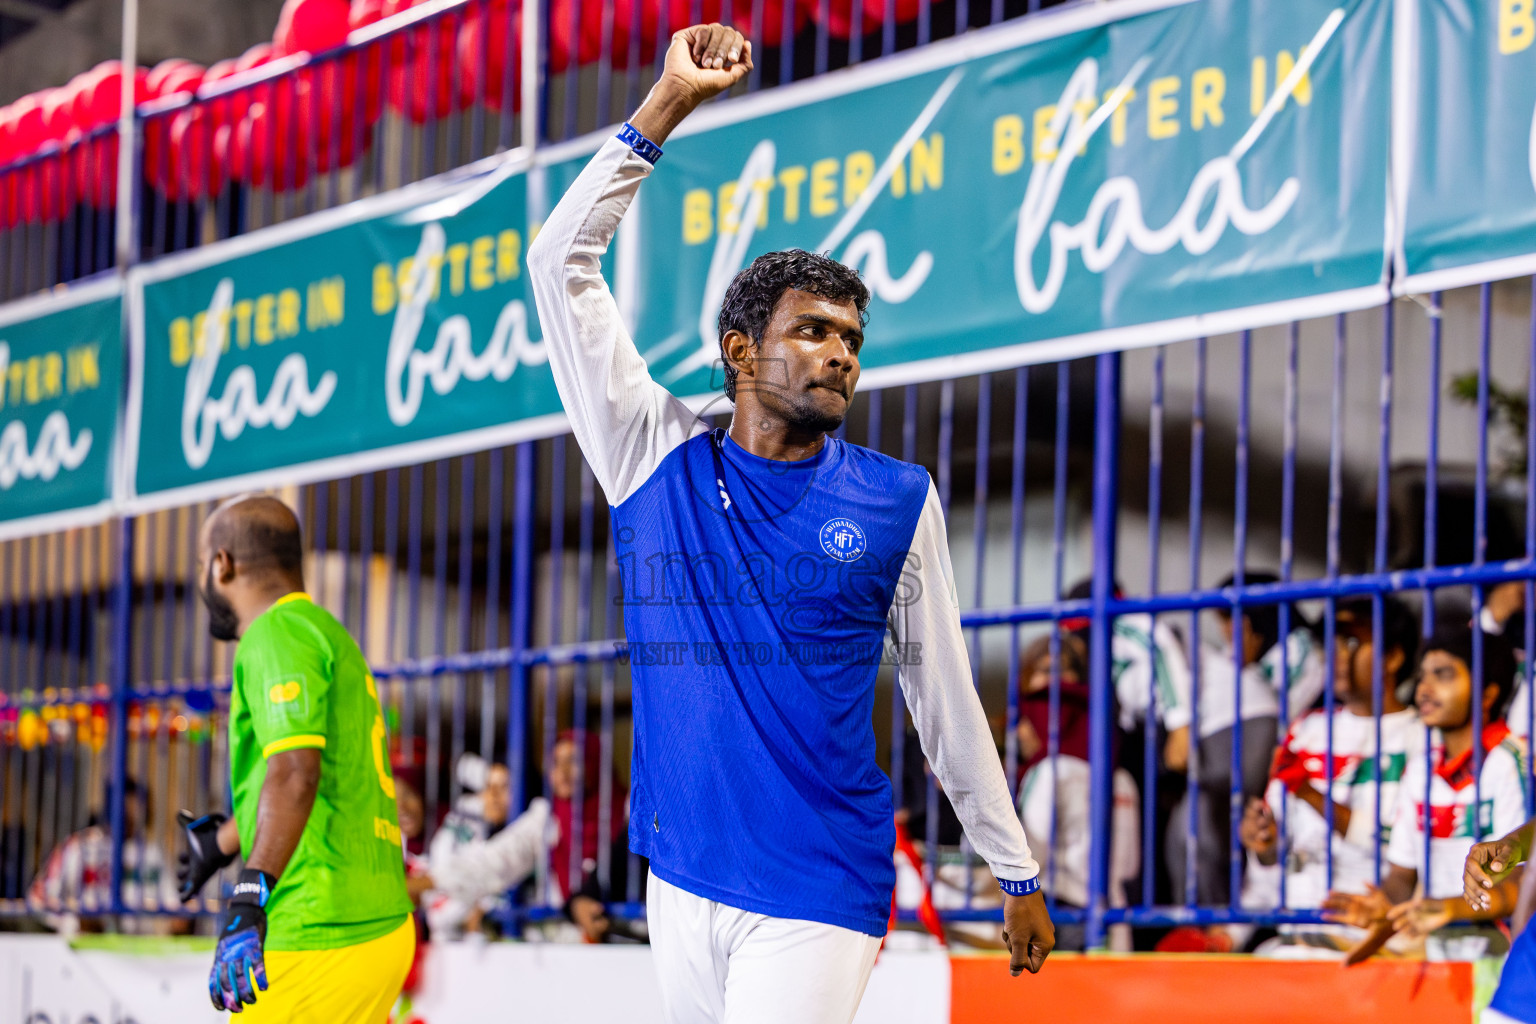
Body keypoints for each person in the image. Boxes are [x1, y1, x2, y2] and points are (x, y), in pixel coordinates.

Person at [526, 22, 1051, 1024]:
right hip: (678, 876)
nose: (839, 355)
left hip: (818, 887)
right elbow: (561, 263)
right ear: (739, 350)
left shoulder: (897, 499)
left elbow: (941, 689)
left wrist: (1012, 868)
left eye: (851, 338)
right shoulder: (650, 452)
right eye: (811, 331)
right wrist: (666, 103)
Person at [174, 494, 414, 1020]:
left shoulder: (274, 635)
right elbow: (307, 773)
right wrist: (221, 842)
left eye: (200, 565)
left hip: (317, 929)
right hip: (370, 922)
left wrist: (247, 895)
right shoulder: (326, 633)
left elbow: (295, 773)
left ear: (222, 563)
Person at [1321, 624, 1529, 960]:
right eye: (1422, 676)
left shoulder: (1511, 761)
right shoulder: (1421, 769)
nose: (1424, 689)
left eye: (1443, 675)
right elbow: (1402, 878)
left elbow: (1521, 884)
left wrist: (1449, 908)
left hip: (1506, 960)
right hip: (1440, 958)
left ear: (1488, 694)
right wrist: (1383, 907)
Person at [1237, 596, 1423, 955]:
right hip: (1295, 936)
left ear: (1393, 657)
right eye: (1332, 642)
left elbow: (1407, 848)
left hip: (1377, 945)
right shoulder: (1306, 729)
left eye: (1352, 642)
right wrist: (1263, 841)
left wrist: (1311, 796)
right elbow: (1273, 850)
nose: (1337, 654)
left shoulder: (1421, 737)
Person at [1169, 572, 1324, 908]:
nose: (1227, 634)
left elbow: (1276, 722)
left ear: (1257, 619)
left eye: (1231, 621)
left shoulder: (1300, 649)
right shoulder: (1259, 660)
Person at [1014, 633, 1140, 951]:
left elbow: (1026, 858)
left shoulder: (1048, 772)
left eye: (1062, 669)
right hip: (1114, 922)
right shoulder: (1122, 778)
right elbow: (1130, 866)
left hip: (1057, 918)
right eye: (1045, 670)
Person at [28, 777, 181, 935]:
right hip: (84, 947)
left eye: (136, 806)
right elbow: (37, 899)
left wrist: (175, 922)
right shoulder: (79, 846)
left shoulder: (152, 853)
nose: (130, 812)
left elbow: (173, 907)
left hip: (140, 950)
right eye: (124, 804)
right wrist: (75, 921)